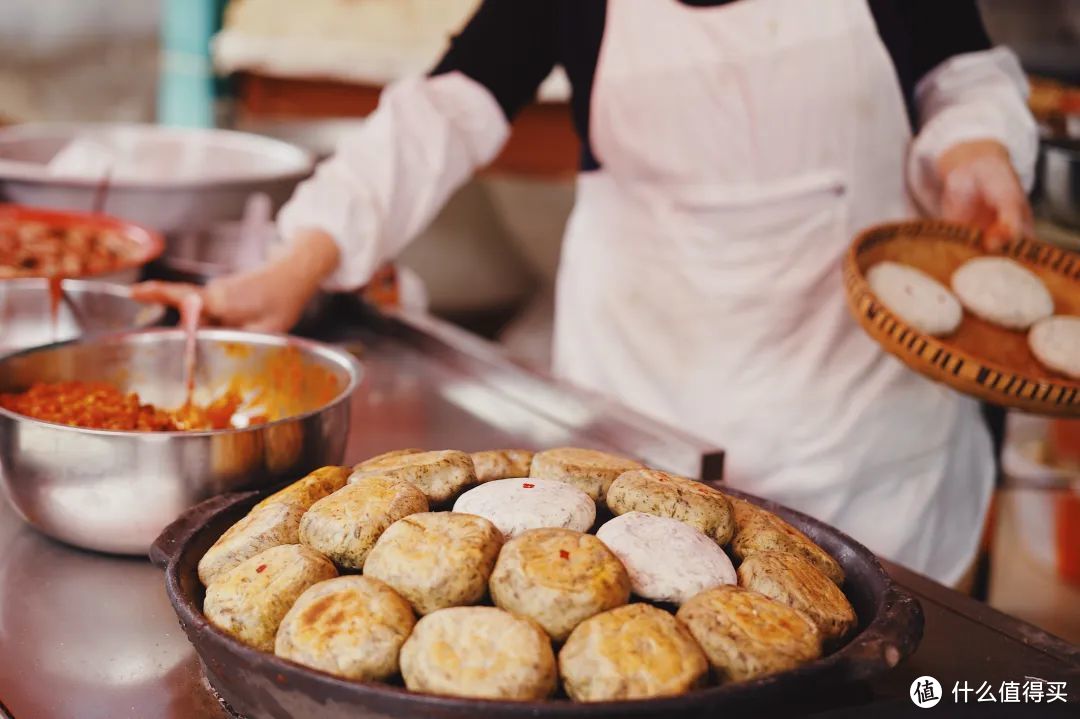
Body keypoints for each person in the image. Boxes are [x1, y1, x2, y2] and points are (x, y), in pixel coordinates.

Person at [135, 0, 1037, 586]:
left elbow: (959, 70)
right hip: (640, 421)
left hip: (858, 434)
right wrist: (304, 257)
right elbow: (448, 105)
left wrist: (975, 147)